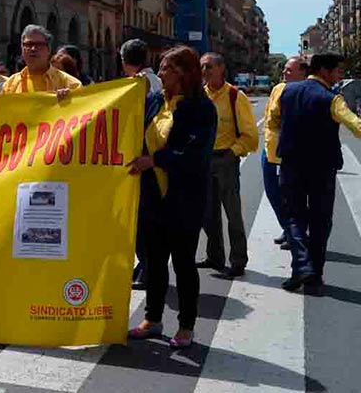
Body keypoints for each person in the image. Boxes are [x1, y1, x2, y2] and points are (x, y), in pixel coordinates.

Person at [127, 46, 217, 349]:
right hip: (152, 196)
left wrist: (154, 160)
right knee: (153, 261)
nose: (160, 73)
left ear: (182, 73)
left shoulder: (201, 109)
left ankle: (186, 326)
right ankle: (152, 319)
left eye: (165, 68)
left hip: (184, 197)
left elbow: (194, 155)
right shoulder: (154, 102)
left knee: (183, 263)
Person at [273, 52, 361, 294]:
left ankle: (301, 268)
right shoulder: (331, 99)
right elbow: (355, 125)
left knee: (294, 218)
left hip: (291, 165)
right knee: (320, 221)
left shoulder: (287, 92)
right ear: (324, 70)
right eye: (338, 71)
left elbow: (275, 120)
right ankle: (313, 274)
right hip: (322, 169)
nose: (340, 76)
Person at [198, 52, 259, 278]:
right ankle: (214, 256)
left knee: (232, 213)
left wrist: (232, 154)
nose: (204, 71)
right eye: (202, 67)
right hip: (204, 161)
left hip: (226, 160)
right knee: (208, 213)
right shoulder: (199, 95)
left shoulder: (235, 96)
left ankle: (238, 260)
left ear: (221, 68)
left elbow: (250, 135)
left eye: (208, 67)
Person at [262, 57, 308, 249]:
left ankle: (297, 233)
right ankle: (287, 228)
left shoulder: (306, 91)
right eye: (284, 69)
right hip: (270, 150)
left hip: (290, 153)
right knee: (273, 193)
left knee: (292, 197)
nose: (284, 72)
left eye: (289, 70)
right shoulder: (278, 88)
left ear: (303, 73)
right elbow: (269, 116)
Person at [0, 25, 81, 99]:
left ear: (48, 49)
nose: (33, 49)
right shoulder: (9, 85)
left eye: (39, 45)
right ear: (22, 49)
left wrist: (68, 102)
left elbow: (81, 108)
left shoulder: (71, 85)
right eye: (29, 44)